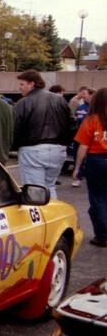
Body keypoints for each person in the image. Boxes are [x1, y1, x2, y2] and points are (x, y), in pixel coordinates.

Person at [13, 69, 75, 199]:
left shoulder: (23, 103)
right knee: (50, 187)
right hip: (58, 149)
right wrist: (66, 143)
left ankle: (41, 216)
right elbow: (72, 125)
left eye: (22, 84)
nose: (20, 88)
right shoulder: (60, 100)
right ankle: (53, 214)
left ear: (32, 84)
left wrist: (15, 146)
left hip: (33, 150)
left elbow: (15, 128)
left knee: (35, 191)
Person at [72, 88, 107, 247]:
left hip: (97, 160)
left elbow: (83, 147)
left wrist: (77, 168)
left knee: (98, 199)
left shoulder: (91, 120)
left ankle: (102, 235)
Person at [69, 87, 94, 187]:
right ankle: (77, 177)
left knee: (93, 159)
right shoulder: (81, 107)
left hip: (94, 138)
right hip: (80, 137)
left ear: (92, 95)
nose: (82, 95)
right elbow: (75, 121)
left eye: (85, 93)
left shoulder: (98, 109)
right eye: (82, 93)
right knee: (78, 157)